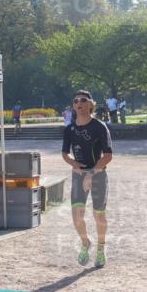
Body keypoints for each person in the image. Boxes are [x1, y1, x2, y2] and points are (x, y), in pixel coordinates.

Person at [62, 90, 114, 268]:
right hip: (78, 175)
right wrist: (74, 165)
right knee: (77, 216)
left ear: (91, 104)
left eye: (83, 100)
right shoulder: (70, 129)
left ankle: (101, 248)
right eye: (75, 100)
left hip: (98, 174)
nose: (79, 103)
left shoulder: (99, 126)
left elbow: (108, 155)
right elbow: (64, 153)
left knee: (98, 214)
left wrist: (91, 174)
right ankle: (85, 243)